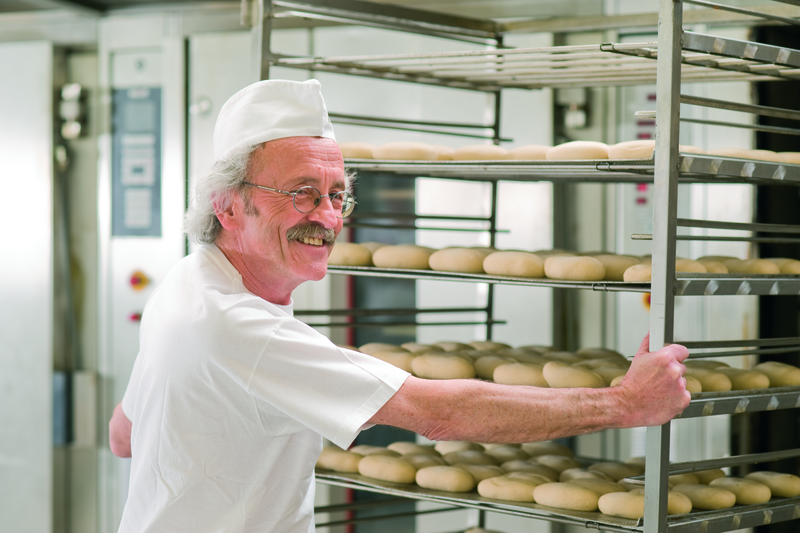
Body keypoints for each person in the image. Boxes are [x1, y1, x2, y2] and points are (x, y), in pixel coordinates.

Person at [109, 79, 690, 533]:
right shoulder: (237, 326)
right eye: (301, 193)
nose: (329, 217)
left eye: (338, 195)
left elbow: (125, 435)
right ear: (228, 205)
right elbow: (441, 415)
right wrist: (623, 403)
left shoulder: (187, 284)